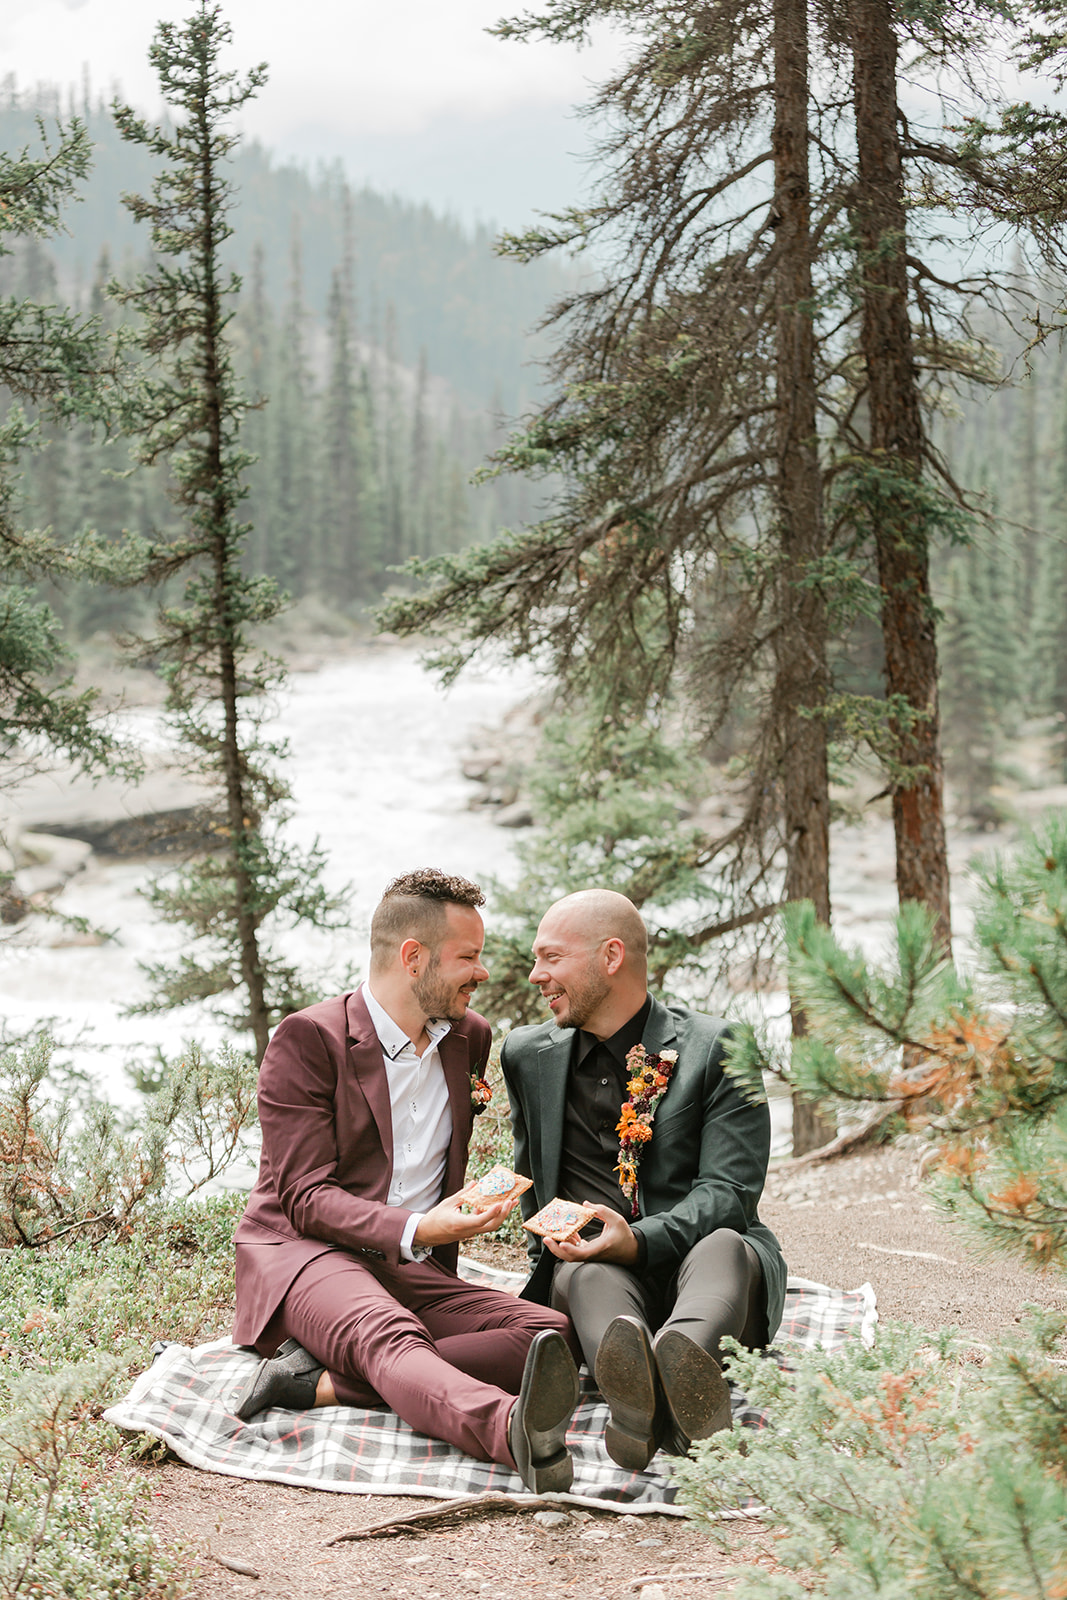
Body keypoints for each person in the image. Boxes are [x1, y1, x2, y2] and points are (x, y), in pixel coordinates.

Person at [230, 867, 580, 1493]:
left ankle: (321, 1383)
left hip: (412, 1265)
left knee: (549, 1332)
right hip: (308, 1253)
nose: (483, 973)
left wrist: (457, 1215)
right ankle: (510, 1431)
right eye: (468, 957)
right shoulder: (308, 1039)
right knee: (392, 1335)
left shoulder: (468, 1038)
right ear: (413, 957)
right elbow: (304, 1199)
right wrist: (422, 1226)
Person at [501, 888, 787, 1471]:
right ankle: (656, 1399)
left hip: (710, 1269)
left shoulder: (718, 1046)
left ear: (611, 957)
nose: (536, 976)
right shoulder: (527, 1056)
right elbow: (530, 1170)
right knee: (581, 1272)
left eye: (551, 958)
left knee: (723, 1246)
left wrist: (637, 1239)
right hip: (594, 1280)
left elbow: (730, 1194)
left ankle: (673, 1377)